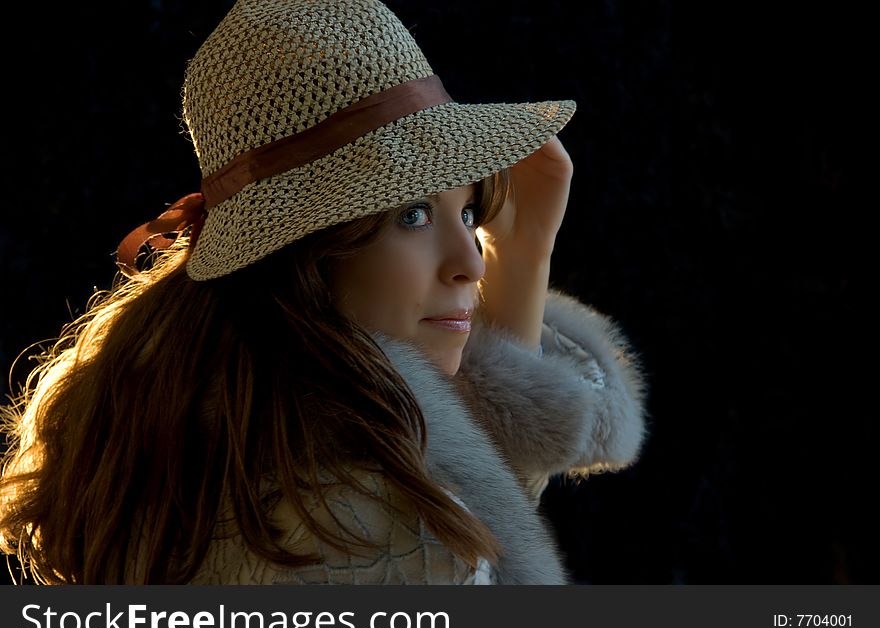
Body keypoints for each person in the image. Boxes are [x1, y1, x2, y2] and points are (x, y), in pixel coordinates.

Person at [0, 0, 647, 584]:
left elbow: (474, 507)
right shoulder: (380, 528)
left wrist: (528, 255)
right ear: (305, 255)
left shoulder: (204, 439)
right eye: (412, 214)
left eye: (470, 214)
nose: (471, 265)